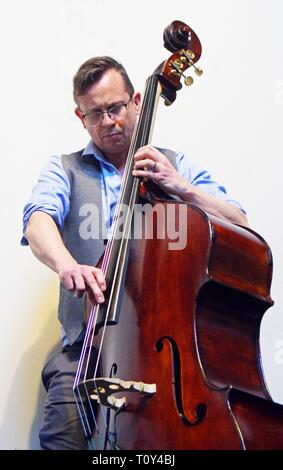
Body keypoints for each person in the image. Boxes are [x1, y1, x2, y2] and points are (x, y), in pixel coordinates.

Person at [21, 56, 248, 450]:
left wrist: (180, 187)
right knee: (62, 440)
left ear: (138, 102)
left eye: (116, 108)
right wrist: (67, 265)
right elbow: (37, 220)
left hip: (165, 359)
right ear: (81, 117)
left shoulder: (176, 165)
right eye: (96, 113)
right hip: (85, 354)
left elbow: (240, 222)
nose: (108, 121)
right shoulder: (64, 169)